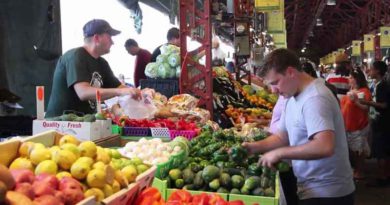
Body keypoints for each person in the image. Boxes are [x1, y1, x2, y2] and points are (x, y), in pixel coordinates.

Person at [246, 48, 355, 204]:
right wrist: (253, 147)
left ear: (290, 72)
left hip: (328, 193)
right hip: (310, 187)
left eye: (275, 83)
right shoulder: (292, 96)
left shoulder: (315, 98)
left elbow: (324, 146)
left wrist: (280, 153)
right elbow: (282, 136)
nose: (273, 90)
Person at [46, 19, 141, 118]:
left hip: (85, 124)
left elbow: (120, 87)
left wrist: (141, 93)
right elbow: (83, 92)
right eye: (109, 37)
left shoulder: (102, 63)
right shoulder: (75, 56)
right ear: (96, 38)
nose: (113, 42)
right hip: (60, 125)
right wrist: (120, 92)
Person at [359, 61, 390, 187]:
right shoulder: (378, 84)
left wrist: (367, 102)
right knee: (382, 150)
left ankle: (382, 178)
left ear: (377, 71)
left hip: (383, 122)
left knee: (382, 151)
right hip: (380, 122)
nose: (368, 71)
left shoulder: (383, 86)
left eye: (370, 69)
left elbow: (384, 105)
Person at [340, 68, 371, 180]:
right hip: (348, 125)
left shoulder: (364, 92)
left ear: (357, 79)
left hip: (358, 126)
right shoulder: (351, 90)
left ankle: (359, 171)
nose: (349, 79)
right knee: (354, 149)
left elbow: (366, 108)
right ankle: (357, 169)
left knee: (358, 150)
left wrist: (356, 102)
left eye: (351, 77)